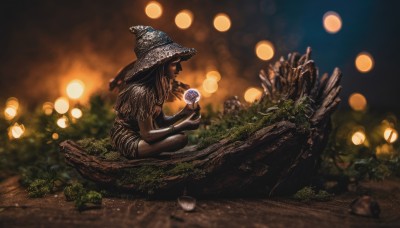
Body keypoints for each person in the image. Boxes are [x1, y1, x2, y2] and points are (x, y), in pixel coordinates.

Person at [109, 25, 201, 159]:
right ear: (159, 65)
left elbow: (161, 122)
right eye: (175, 64)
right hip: (130, 140)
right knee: (179, 139)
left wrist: (183, 114)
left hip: (145, 136)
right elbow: (148, 135)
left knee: (180, 138)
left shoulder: (159, 87)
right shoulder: (141, 93)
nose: (179, 69)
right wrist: (182, 125)